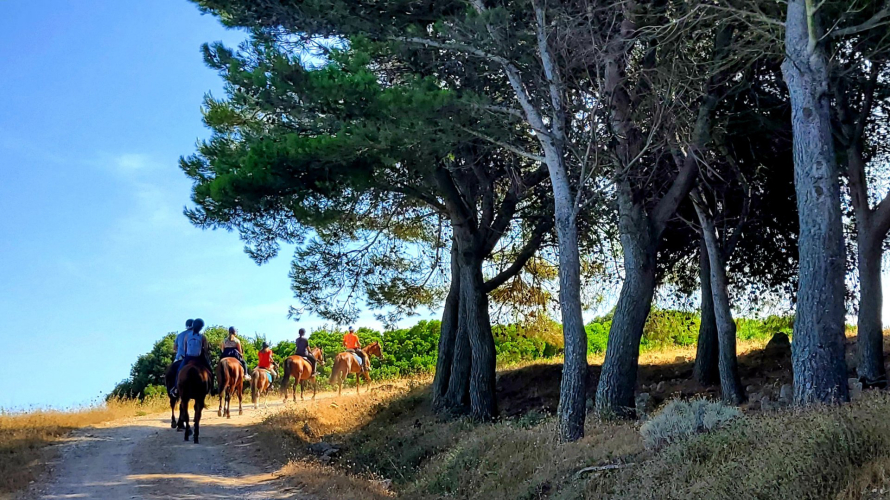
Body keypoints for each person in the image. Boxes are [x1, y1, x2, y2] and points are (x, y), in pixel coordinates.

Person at [176, 318, 216, 395]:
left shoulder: (187, 336)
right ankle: (212, 389)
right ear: (201, 328)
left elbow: (185, 348)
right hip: (199, 358)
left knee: (179, 371)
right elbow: (206, 349)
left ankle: (176, 387)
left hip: (188, 357)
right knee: (210, 371)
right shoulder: (202, 337)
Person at [169, 319, 194, 397]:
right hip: (192, 357)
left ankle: (175, 387)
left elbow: (174, 348)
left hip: (180, 357)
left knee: (173, 372)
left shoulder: (179, 335)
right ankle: (208, 385)